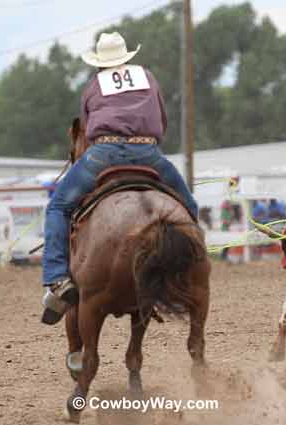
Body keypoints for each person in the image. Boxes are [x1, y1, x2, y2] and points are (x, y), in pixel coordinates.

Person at [41, 32, 198, 324]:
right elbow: (162, 121)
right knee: (189, 207)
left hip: (104, 154)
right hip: (149, 153)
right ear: (127, 57)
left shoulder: (93, 86)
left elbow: (88, 131)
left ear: (100, 63)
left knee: (58, 207)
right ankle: (189, 270)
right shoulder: (148, 78)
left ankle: (56, 278)